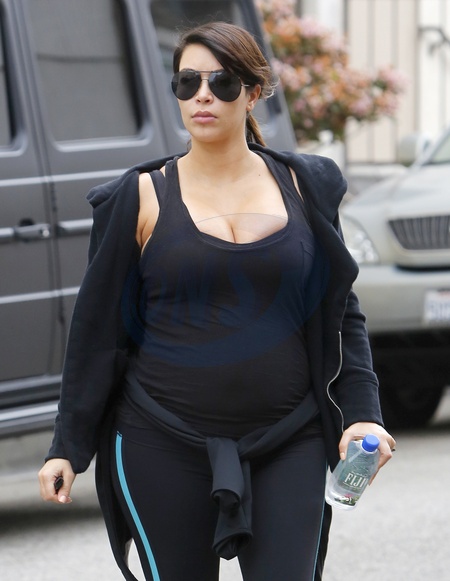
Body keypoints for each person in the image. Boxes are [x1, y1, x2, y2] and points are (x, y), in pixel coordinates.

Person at [39, 21, 396, 581]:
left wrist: (362, 415)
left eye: (222, 82)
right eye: (188, 82)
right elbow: (96, 332)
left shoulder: (305, 186)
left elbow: (340, 313)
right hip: (160, 439)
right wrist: (68, 446)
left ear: (252, 93)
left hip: (290, 438)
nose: (203, 96)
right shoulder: (139, 197)